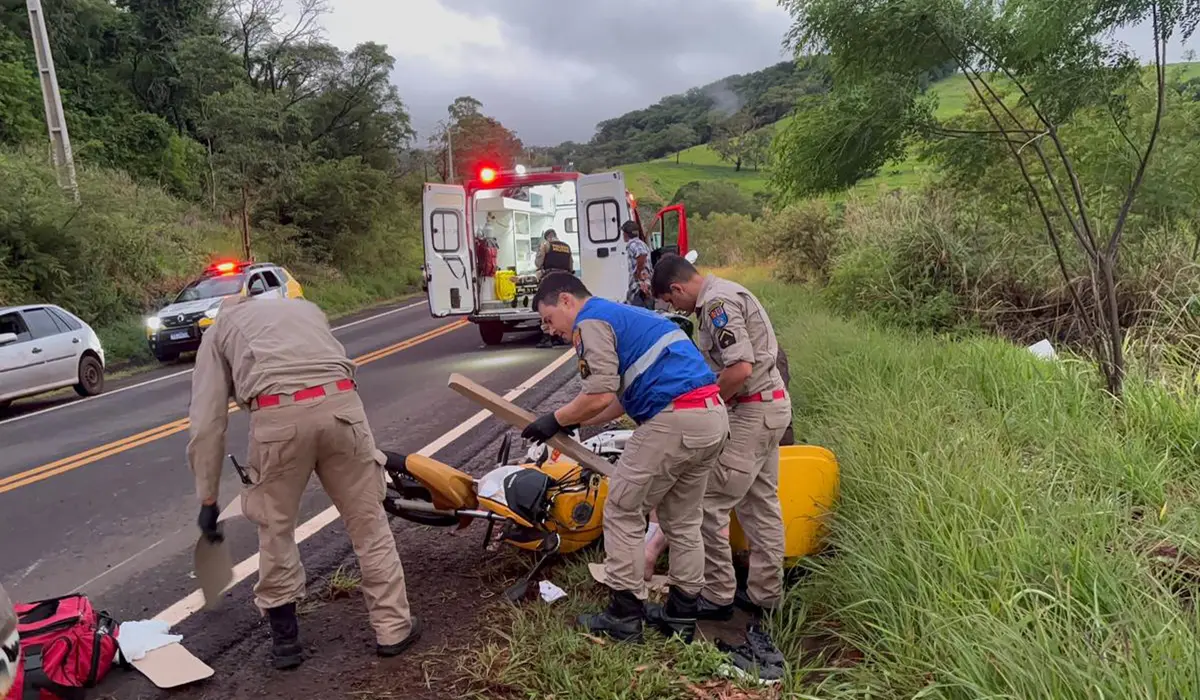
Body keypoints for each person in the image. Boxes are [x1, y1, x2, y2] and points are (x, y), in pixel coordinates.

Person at [186, 292, 420, 670]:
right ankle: (393, 629)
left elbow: (207, 424)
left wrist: (208, 499)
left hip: (278, 419)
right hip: (343, 408)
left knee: (275, 527)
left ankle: (286, 643)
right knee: (369, 524)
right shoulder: (305, 308)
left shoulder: (219, 330)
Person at [522, 271, 728, 643]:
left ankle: (624, 614)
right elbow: (616, 399)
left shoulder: (589, 323)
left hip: (674, 418)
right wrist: (572, 424)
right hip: (711, 415)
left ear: (567, 300)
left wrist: (554, 418)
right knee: (682, 519)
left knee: (621, 508)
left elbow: (598, 394)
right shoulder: (626, 315)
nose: (550, 330)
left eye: (549, 319)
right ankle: (681, 615)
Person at [650, 254, 791, 666]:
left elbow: (739, 367)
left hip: (751, 409)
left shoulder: (715, 304)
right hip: (771, 406)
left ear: (677, 289)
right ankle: (766, 593)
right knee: (760, 502)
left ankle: (717, 594)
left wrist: (710, 402)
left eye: (671, 302)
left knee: (708, 502)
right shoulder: (728, 291)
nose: (675, 309)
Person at [622, 220, 654, 309]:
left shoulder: (633, 244)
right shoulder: (642, 243)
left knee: (638, 312)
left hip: (639, 287)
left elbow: (642, 254)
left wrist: (638, 272)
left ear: (626, 234)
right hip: (645, 285)